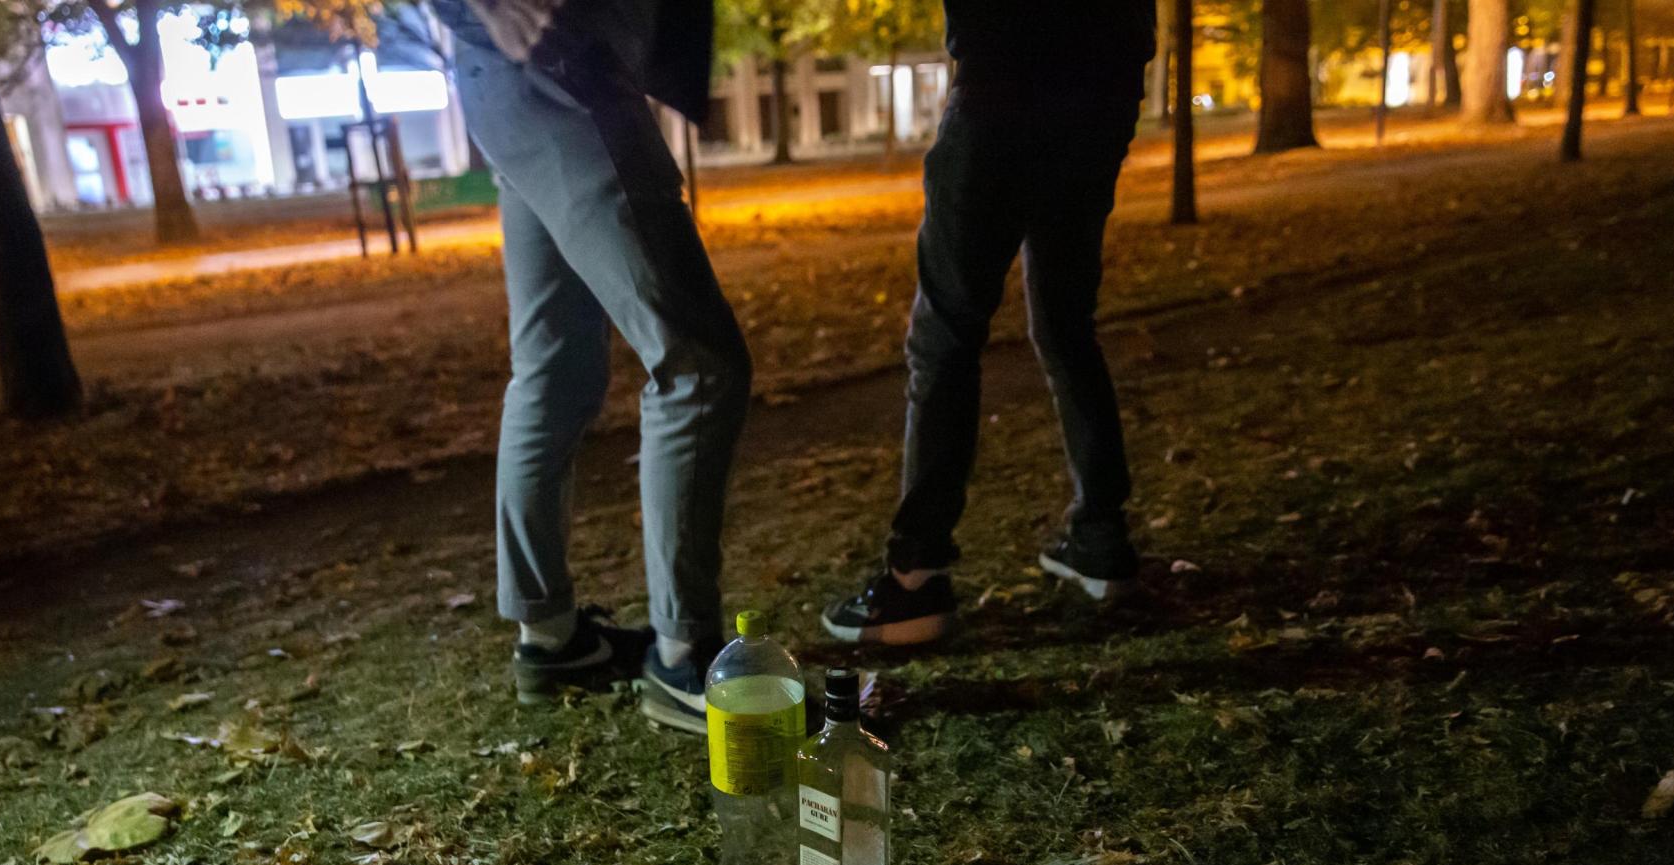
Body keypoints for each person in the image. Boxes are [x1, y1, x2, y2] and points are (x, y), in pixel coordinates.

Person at [429, 0, 747, 730]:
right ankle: (683, 654)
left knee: (556, 368)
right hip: (563, 70)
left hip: (522, 79)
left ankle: (550, 637)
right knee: (698, 364)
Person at [823, 1, 1157, 645]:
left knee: (946, 333)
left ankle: (916, 575)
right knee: (1066, 322)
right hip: (1105, 94)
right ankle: (1101, 535)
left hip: (1005, 87)